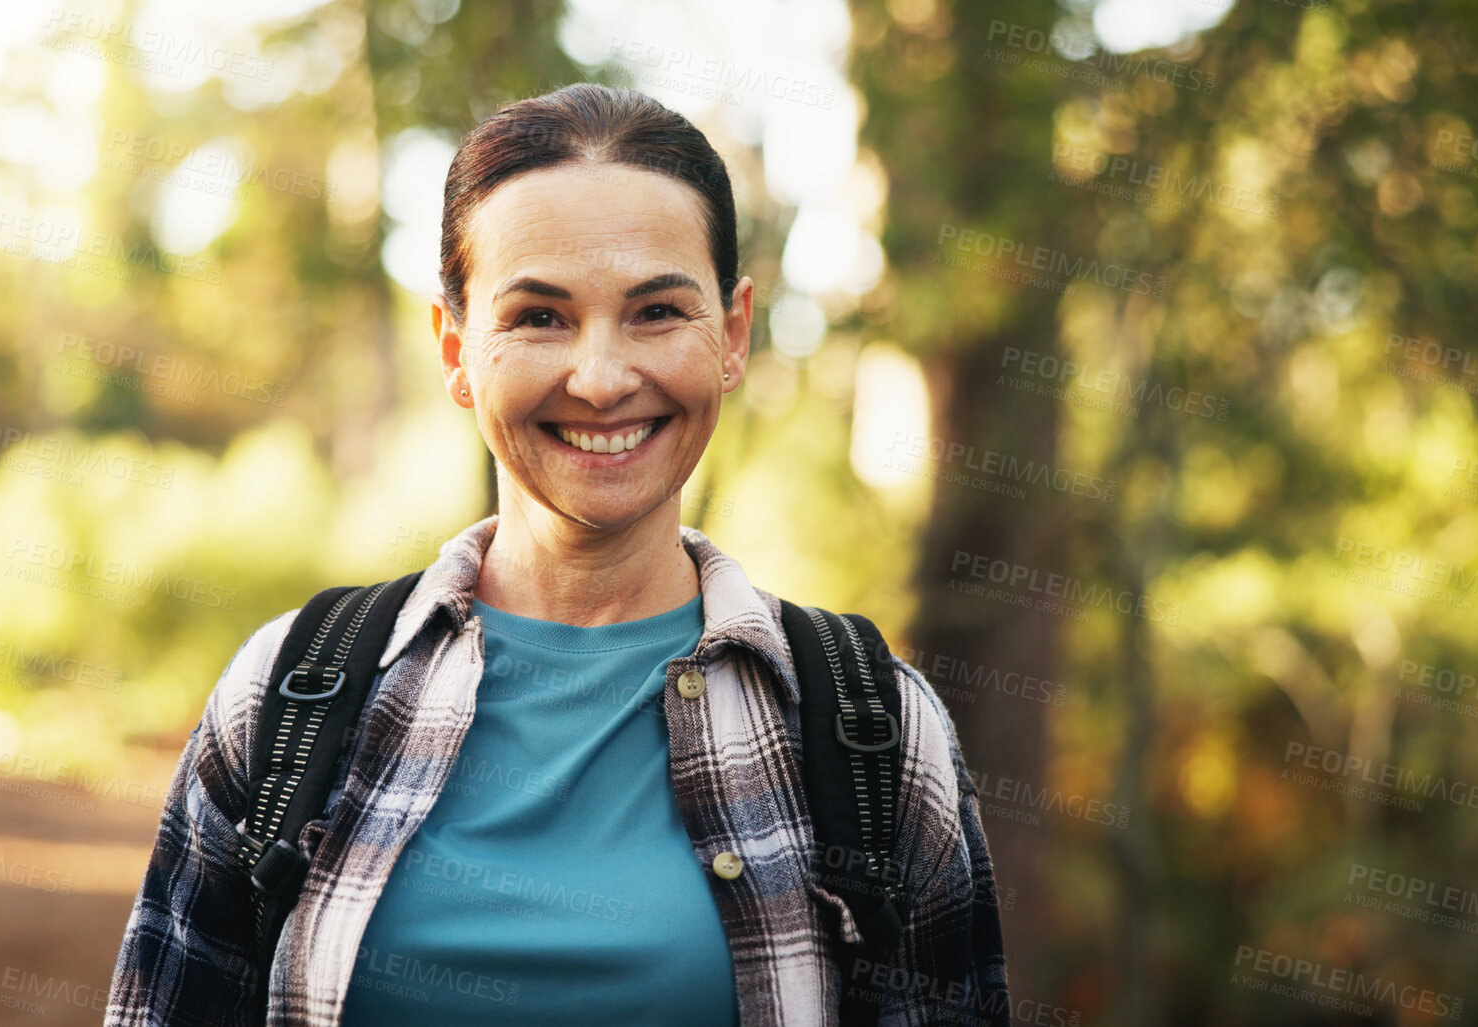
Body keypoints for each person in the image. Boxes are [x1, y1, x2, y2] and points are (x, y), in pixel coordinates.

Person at [104, 82, 1006, 1027]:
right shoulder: (291, 691)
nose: (603, 377)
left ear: (732, 334)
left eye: (657, 310)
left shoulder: (875, 727)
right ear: (455, 348)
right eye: (539, 317)